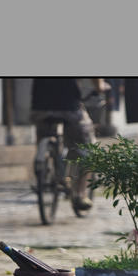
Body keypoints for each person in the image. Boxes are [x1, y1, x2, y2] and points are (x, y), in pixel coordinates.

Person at [29, 77, 99, 212]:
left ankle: (43, 167)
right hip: (69, 108)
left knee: (43, 132)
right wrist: (100, 86)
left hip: (39, 107)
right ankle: (80, 193)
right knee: (89, 148)